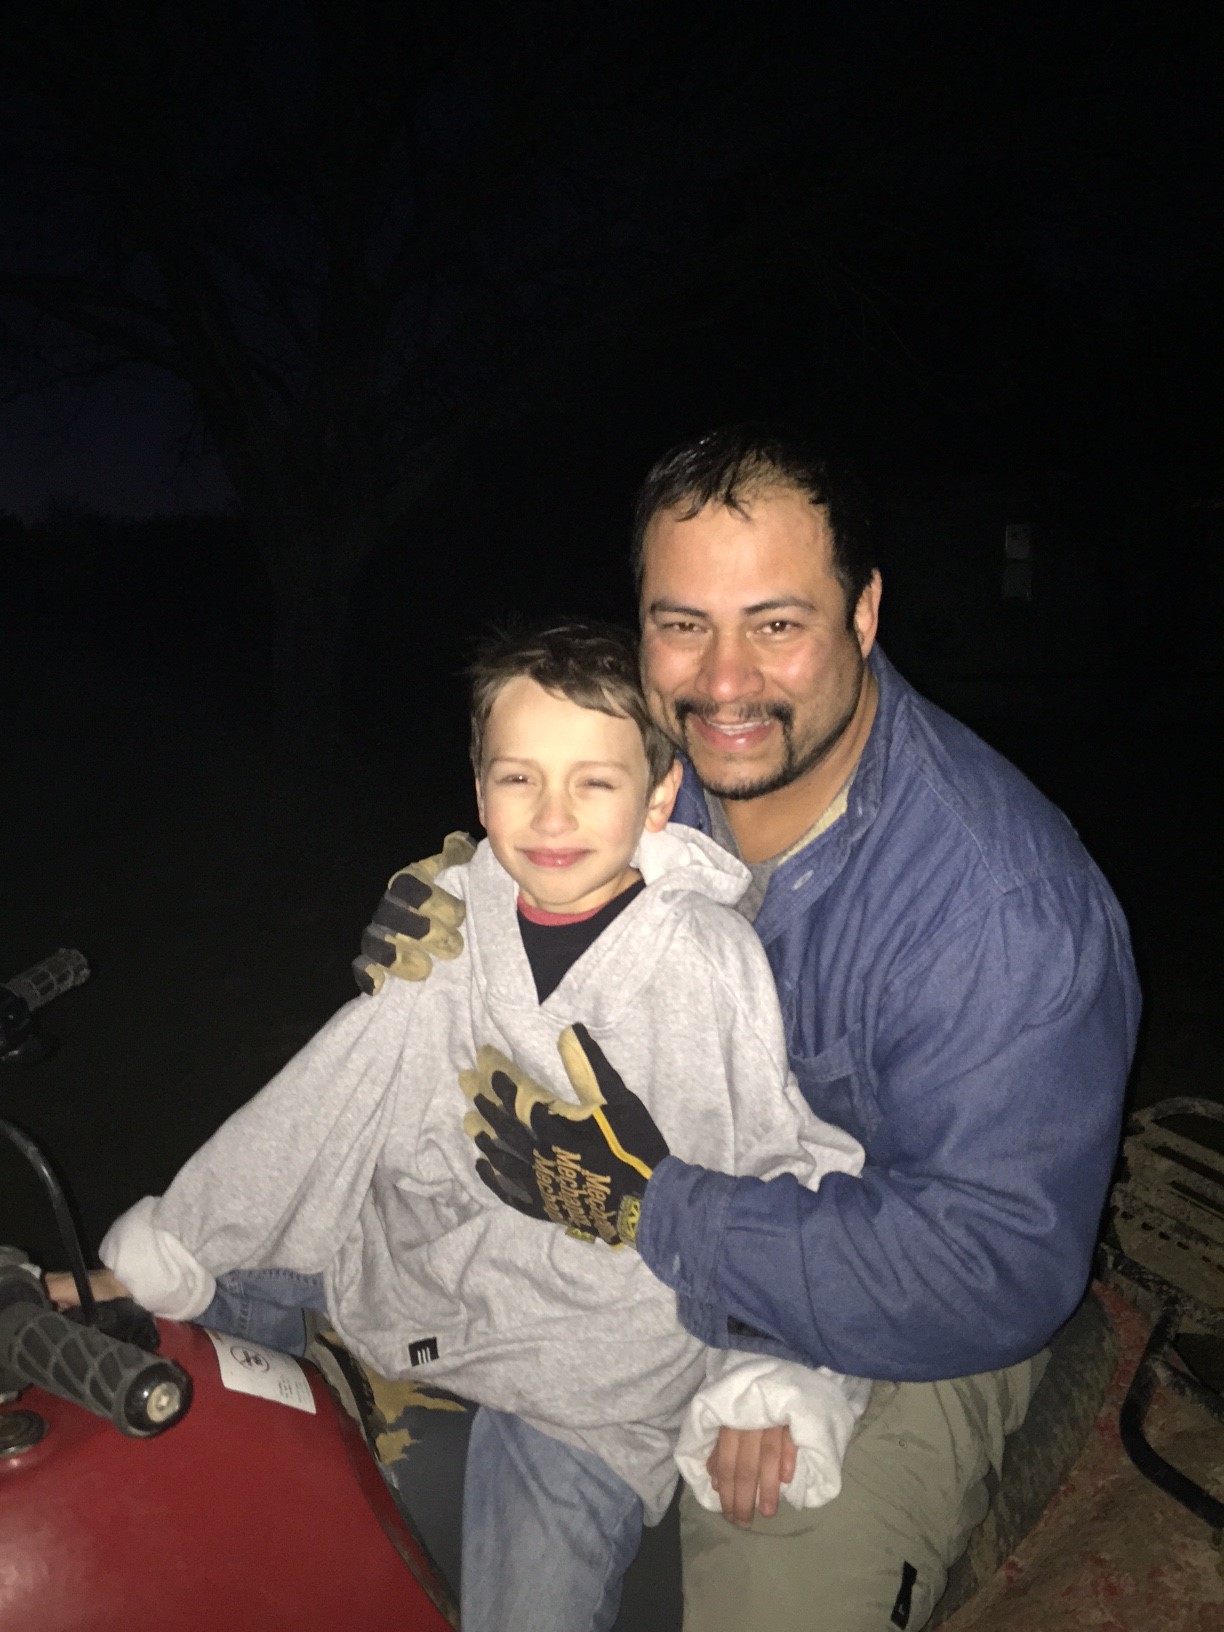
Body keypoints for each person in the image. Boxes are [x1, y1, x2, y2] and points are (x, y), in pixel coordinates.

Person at [359, 427, 1142, 1632]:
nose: (723, 683)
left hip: (910, 1300)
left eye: (776, 624)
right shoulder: (652, 776)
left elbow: (991, 1262)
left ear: (864, 614)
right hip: (653, 1215)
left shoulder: (1003, 909)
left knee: (772, 1577)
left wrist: (659, 1213)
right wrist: (452, 930)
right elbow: (529, 924)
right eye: (683, 625)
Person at [50, 622, 869, 1632]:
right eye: (520, 778)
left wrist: (773, 1369)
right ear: (480, 790)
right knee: (190, 1311)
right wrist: (168, 1249)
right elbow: (332, 1096)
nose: (553, 814)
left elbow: (775, 1162)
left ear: (659, 795)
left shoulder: (700, 966)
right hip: (437, 1275)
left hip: (592, 1366)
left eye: (595, 782)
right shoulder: (453, 918)